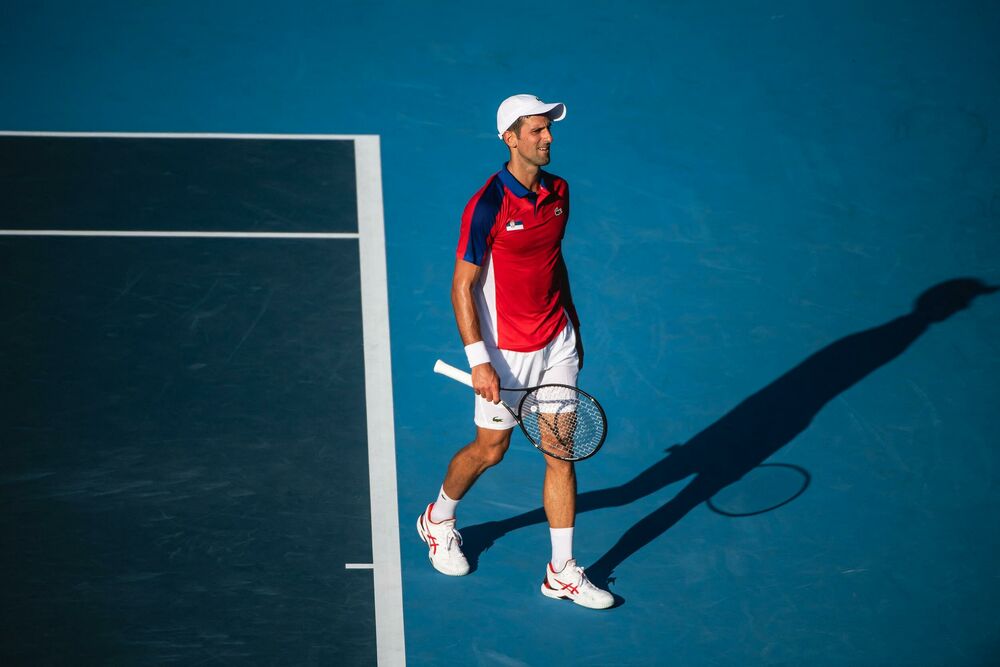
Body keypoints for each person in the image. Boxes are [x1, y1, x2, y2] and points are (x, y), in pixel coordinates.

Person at [416, 94, 613, 610]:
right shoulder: (487, 205)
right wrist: (479, 359)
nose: (548, 138)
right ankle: (437, 519)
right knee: (491, 450)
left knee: (560, 455)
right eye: (537, 131)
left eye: (548, 129)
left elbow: (553, 261)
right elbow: (461, 287)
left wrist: (573, 324)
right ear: (510, 138)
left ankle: (562, 571)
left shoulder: (559, 192)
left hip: (556, 341)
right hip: (506, 353)